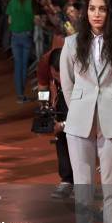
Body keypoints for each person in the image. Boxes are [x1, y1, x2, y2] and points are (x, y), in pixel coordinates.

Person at [60, 0, 112, 223]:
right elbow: (67, 84)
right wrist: (79, 108)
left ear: (110, 12)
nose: (96, 14)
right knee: (84, 186)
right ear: (85, 13)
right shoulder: (71, 43)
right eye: (92, 9)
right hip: (79, 123)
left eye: (102, 9)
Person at [37, 48, 73, 199]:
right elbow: (43, 87)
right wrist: (45, 108)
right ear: (50, 68)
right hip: (61, 93)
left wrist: (65, 124)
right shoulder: (44, 62)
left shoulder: (76, 62)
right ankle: (67, 181)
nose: (58, 78)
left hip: (78, 90)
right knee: (61, 136)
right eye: (55, 74)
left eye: (61, 75)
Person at [6, 0, 34, 103]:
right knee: (24, 66)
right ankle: (21, 95)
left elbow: (9, 20)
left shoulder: (13, 1)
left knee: (18, 66)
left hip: (15, 36)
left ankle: (20, 95)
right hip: (26, 36)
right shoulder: (30, 2)